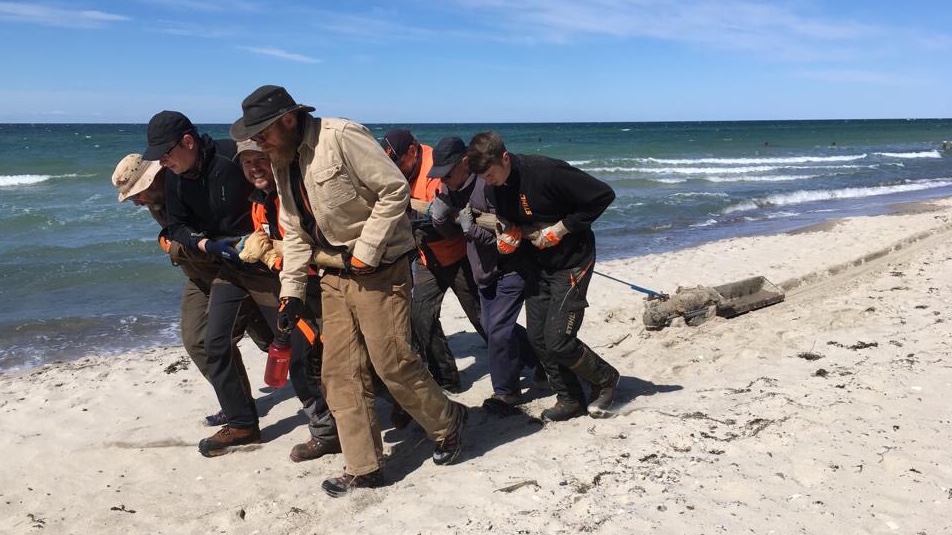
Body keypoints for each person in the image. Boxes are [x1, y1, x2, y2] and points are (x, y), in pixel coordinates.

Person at [230, 84, 468, 497]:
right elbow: (295, 230)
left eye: (263, 132)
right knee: (339, 373)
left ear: (288, 119)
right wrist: (292, 292)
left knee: (392, 362)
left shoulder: (341, 136)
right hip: (333, 275)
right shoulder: (282, 160)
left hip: (381, 269)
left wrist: (369, 249)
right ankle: (365, 466)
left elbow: (394, 189)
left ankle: (448, 424)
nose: (259, 142)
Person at [143, 110, 280, 457]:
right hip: (225, 265)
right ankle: (243, 424)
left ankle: (341, 407)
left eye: (166, 153)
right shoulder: (174, 177)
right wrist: (207, 244)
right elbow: (176, 226)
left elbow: (273, 191)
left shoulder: (231, 157)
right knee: (213, 342)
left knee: (294, 339)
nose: (163, 161)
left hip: (266, 259)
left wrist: (269, 240)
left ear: (188, 142)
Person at [466, 131, 621, 421]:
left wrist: (561, 228)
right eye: (482, 178)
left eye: (489, 174)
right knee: (538, 338)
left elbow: (603, 195)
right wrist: (508, 236)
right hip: (536, 264)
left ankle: (606, 378)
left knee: (559, 339)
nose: (487, 182)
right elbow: (512, 222)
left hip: (573, 260)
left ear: (505, 158)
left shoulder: (546, 172)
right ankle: (570, 398)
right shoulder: (493, 186)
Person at [111, 153, 270, 426]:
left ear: (157, 178)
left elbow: (218, 240)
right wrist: (173, 243)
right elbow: (179, 237)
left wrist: (172, 246)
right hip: (198, 276)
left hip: (233, 273)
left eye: (140, 193)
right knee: (197, 339)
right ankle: (236, 403)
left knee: (271, 339)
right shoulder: (156, 202)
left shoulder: (189, 190)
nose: (138, 201)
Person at [234, 140, 341, 462]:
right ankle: (327, 432)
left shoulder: (299, 196)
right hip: (293, 291)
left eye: (261, 159)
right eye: (247, 162)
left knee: (347, 361)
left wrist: (277, 252)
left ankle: (411, 409)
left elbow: (325, 244)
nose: (254, 167)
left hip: (325, 286)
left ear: (277, 159)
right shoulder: (258, 201)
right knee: (301, 361)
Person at [427, 137, 543, 413]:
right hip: (483, 271)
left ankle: (506, 393)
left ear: (464, 164)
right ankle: (545, 361)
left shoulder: (487, 186)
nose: (443, 179)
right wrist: (440, 219)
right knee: (492, 328)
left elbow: (509, 238)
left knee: (499, 331)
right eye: (439, 173)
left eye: (447, 172)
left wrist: (471, 229)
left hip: (510, 267)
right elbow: (452, 234)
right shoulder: (448, 188)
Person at [380, 129, 485, 393]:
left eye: (397, 162)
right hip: (427, 256)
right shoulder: (400, 172)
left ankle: (530, 361)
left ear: (413, 152)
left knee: (483, 319)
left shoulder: (435, 168)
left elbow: (448, 213)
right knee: (421, 316)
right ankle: (447, 378)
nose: (394, 168)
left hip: (458, 254)